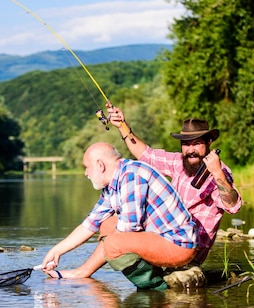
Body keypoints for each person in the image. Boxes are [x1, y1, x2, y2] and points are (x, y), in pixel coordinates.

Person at [41, 142, 198, 290]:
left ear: (100, 165)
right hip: (161, 238)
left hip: (178, 244)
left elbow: (128, 229)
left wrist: (102, 251)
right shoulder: (112, 185)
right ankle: (82, 273)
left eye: (87, 167)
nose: (85, 173)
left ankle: (157, 288)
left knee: (113, 243)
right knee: (107, 225)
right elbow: (89, 225)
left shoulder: (131, 175)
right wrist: (56, 251)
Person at [106, 105, 242, 265]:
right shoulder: (178, 162)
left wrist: (217, 173)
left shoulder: (220, 171)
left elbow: (233, 206)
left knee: (118, 240)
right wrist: (122, 124)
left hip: (191, 249)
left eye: (197, 143)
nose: (191, 150)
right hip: (168, 236)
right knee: (110, 223)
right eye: (186, 144)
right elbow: (145, 155)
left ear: (209, 142)